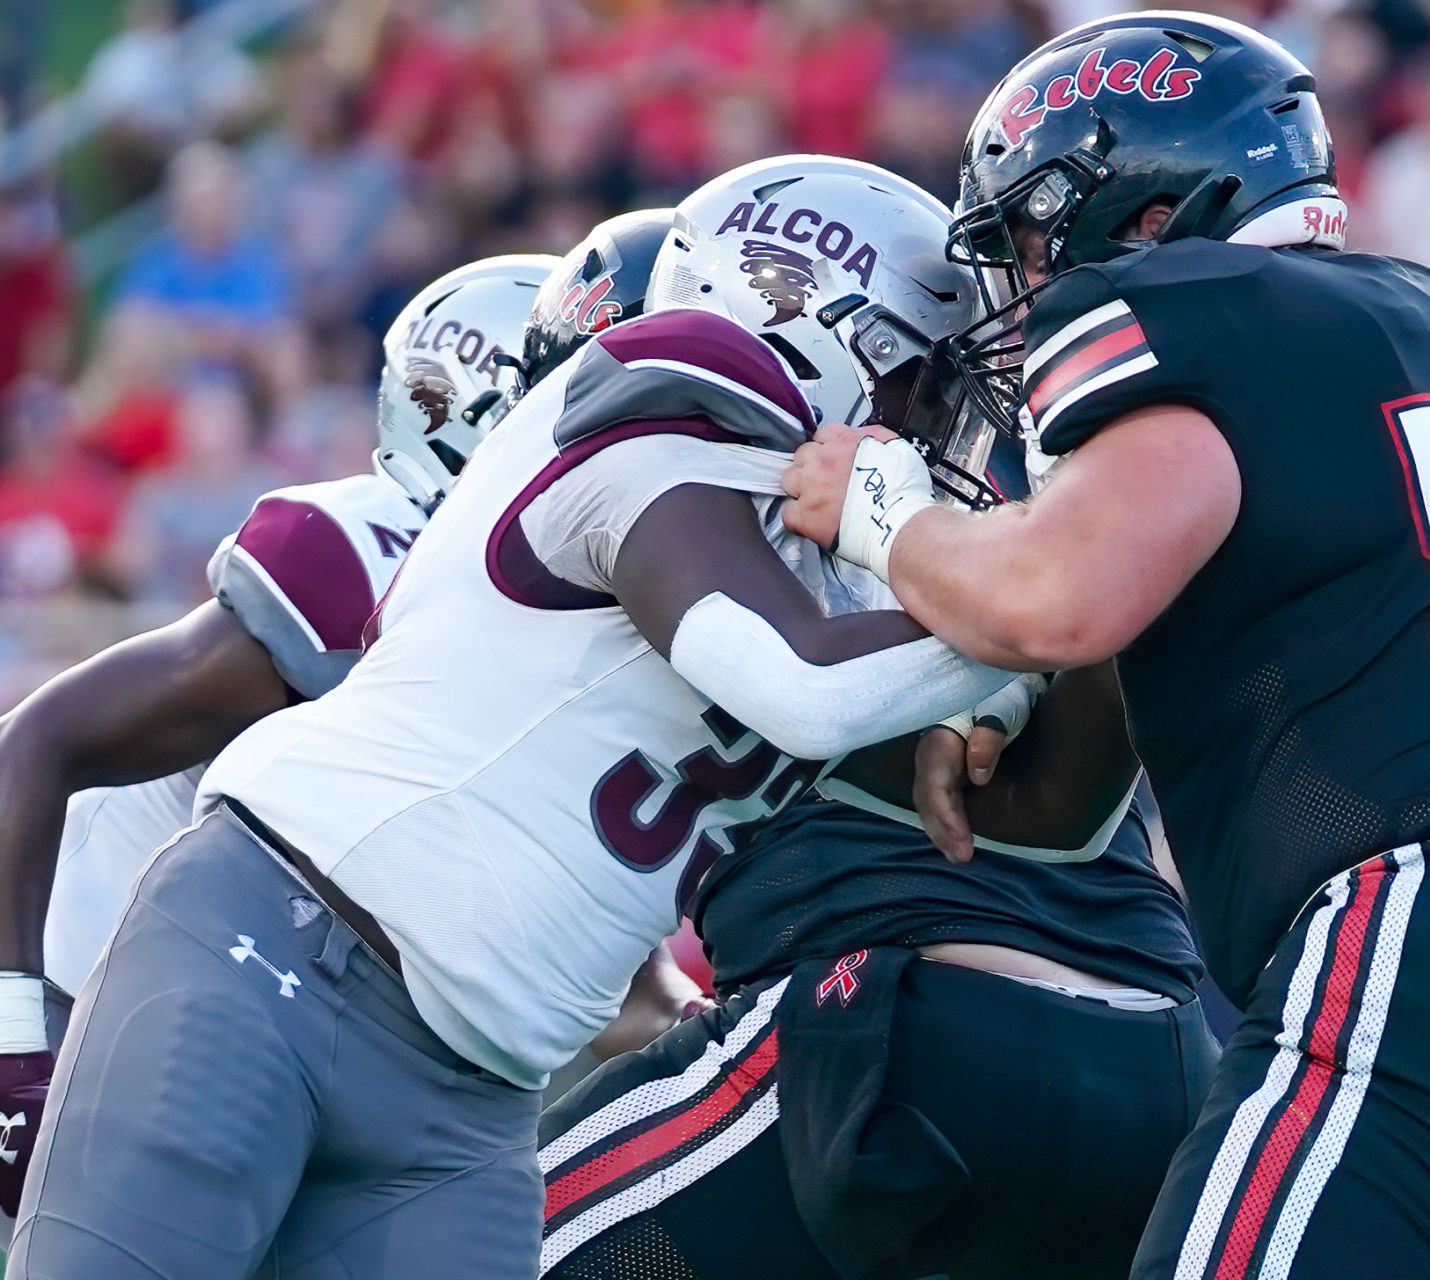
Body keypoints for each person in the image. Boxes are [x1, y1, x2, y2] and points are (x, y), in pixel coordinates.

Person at [781, 14, 1430, 1279]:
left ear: (1142, 217)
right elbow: (1106, 726)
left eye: (1025, 234)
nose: (1016, 287)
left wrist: (883, 506)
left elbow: (1055, 594)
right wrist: (1008, 690)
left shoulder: (1189, 307)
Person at [5, 158, 1025, 1280]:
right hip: (278, 949)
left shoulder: (824, 564)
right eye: (927, 379)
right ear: (816, 334)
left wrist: (1004, 665)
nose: (942, 421)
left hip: (472, 1096)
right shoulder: (656, 414)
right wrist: (1049, 608)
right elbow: (808, 680)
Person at [534, 171, 1213, 1280]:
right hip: (1165, 1059)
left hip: (902, 1033)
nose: (959, 403)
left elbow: (801, 695)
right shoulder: (1006, 541)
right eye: (932, 371)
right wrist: (1011, 657)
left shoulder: (685, 524)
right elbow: (1064, 802)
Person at [0, 253, 557, 1219]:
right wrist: (11, 1043)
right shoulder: (366, 557)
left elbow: (635, 990)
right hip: (86, 992)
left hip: (270, 1040)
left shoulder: (554, 625)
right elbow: (34, 739)